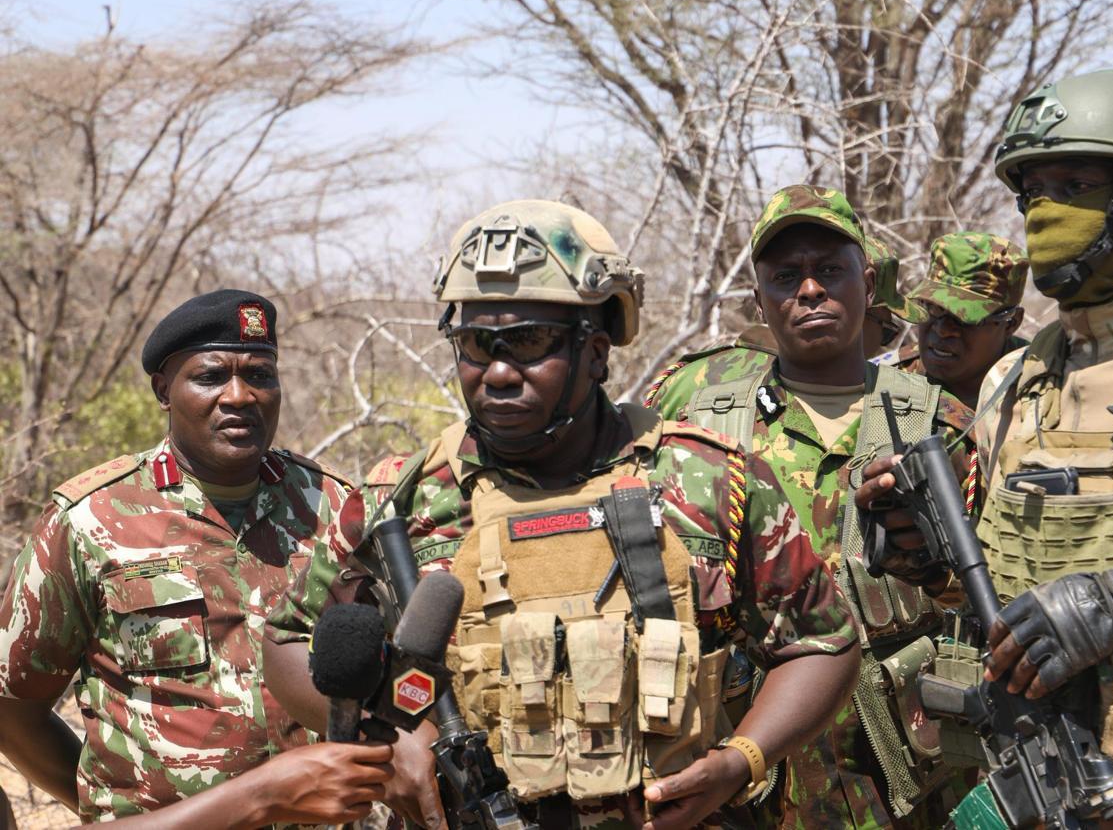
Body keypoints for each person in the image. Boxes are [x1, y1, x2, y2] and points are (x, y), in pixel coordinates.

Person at [263, 199, 860, 830]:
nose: (496, 373)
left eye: (528, 343)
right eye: (474, 344)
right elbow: (286, 639)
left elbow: (824, 641)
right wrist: (400, 749)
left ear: (597, 352)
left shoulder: (708, 476)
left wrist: (742, 760)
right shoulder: (402, 498)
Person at [859, 68, 1113, 826]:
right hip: (1048, 797)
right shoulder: (1015, 381)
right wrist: (925, 553)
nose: (1044, 212)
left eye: (1077, 182)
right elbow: (1006, 599)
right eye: (1032, 191)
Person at [0, 289, 396, 827]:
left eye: (260, 374)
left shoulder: (338, 510)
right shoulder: (89, 519)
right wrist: (110, 809)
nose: (240, 395)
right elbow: (12, 707)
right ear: (164, 390)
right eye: (211, 377)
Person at [648, 185, 972, 828]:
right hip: (745, 781)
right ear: (759, 296)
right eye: (786, 276)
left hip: (907, 781)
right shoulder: (698, 427)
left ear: (868, 280)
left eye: (829, 270)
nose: (810, 291)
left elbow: (994, 601)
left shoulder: (941, 426)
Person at [642, 229, 916, 413]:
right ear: (760, 302)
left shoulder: (926, 414)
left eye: (830, 271)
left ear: (866, 289)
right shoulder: (703, 403)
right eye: (886, 332)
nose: (811, 291)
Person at [884, 231, 1029, 412]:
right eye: (934, 307)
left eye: (965, 317)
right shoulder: (885, 380)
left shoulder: (1040, 390)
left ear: (1011, 323)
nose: (943, 329)